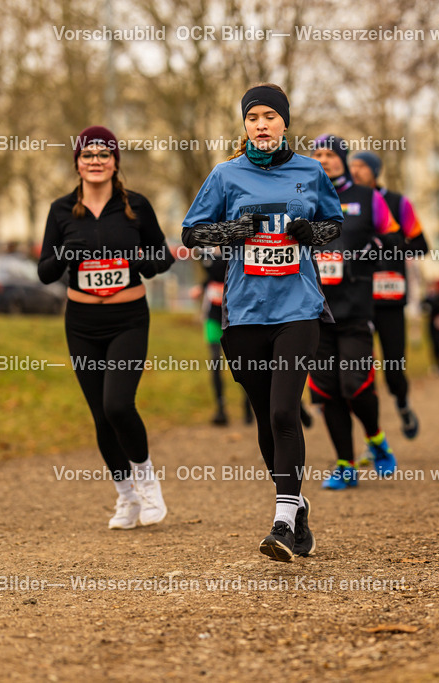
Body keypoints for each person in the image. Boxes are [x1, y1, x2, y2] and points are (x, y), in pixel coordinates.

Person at [181, 84, 342, 561]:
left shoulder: (310, 172)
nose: (262, 124)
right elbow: (191, 233)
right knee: (265, 421)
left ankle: (281, 522)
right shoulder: (226, 175)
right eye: (254, 118)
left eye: (271, 116)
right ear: (245, 126)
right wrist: (234, 231)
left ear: (285, 122)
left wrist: (311, 232)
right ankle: (298, 506)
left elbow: (335, 225)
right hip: (245, 315)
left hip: (298, 310)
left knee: (283, 412)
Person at [38, 125, 174, 530]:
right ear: (77, 163)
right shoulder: (61, 210)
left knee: (118, 404)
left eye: (103, 155)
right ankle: (126, 497)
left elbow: (160, 258)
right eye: (87, 155)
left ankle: (147, 482)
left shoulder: (136, 206)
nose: (95, 162)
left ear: (115, 162)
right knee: (100, 415)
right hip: (81, 323)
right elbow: (45, 272)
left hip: (128, 319)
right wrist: (65, 252)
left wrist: (137, 258)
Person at [309, 136, 400, 491]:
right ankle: (345, 465)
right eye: (317, 154)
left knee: (354, 384)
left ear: (344, 160)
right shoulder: (306, 198)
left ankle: (376, 439)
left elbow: (394, 240)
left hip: (356, 310)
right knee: (326, 389)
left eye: (330, 154)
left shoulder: (367, 198)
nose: (324, 160)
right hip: (316, 310)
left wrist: (365, 253)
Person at [349, 151, 428, 439]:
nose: (355, 171)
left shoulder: (398, 202)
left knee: (394, 368)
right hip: (358, 298)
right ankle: (373, 432)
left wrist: (386, 247)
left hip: (390, 297)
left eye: (362, 167)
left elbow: (421, 244)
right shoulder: (348, 202)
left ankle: (403, 405)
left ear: (375, 172)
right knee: (360, 371)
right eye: (352, 166)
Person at [191, 249, 254, 426]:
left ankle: (248, 406)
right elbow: (213, 275)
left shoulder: (238, 248)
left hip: (236, 316)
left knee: (242, 362)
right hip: (213, 315)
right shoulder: (205, 254)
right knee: (215, 361)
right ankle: (220, 409)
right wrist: (201, 287)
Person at [422, 281, 439, 374]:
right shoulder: (426, 299)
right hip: (431, 324)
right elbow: (423, 309)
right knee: (432, 344)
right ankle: (434, 365)